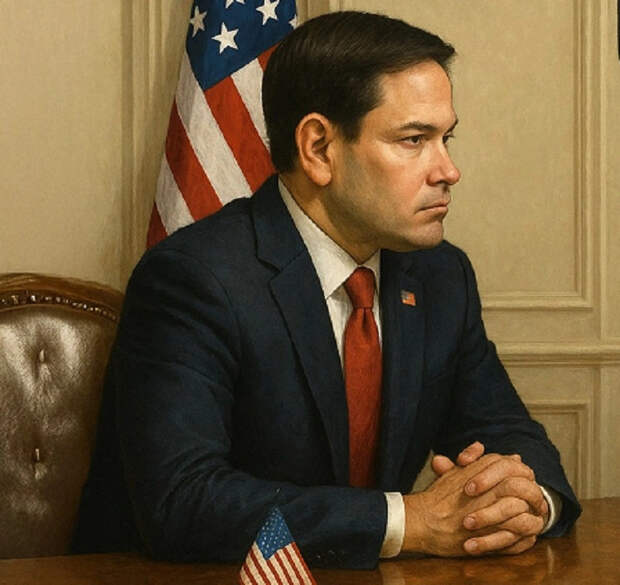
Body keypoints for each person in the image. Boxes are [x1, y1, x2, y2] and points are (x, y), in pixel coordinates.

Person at [74, 11, 580, 569]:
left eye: (446, 138)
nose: (448, 170)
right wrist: (409, 520)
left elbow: (509, 434)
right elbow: (183, 503)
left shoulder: (440, 275)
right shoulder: (194, 279)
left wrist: (528, 502)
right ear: (318, 148)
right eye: (414, 140)